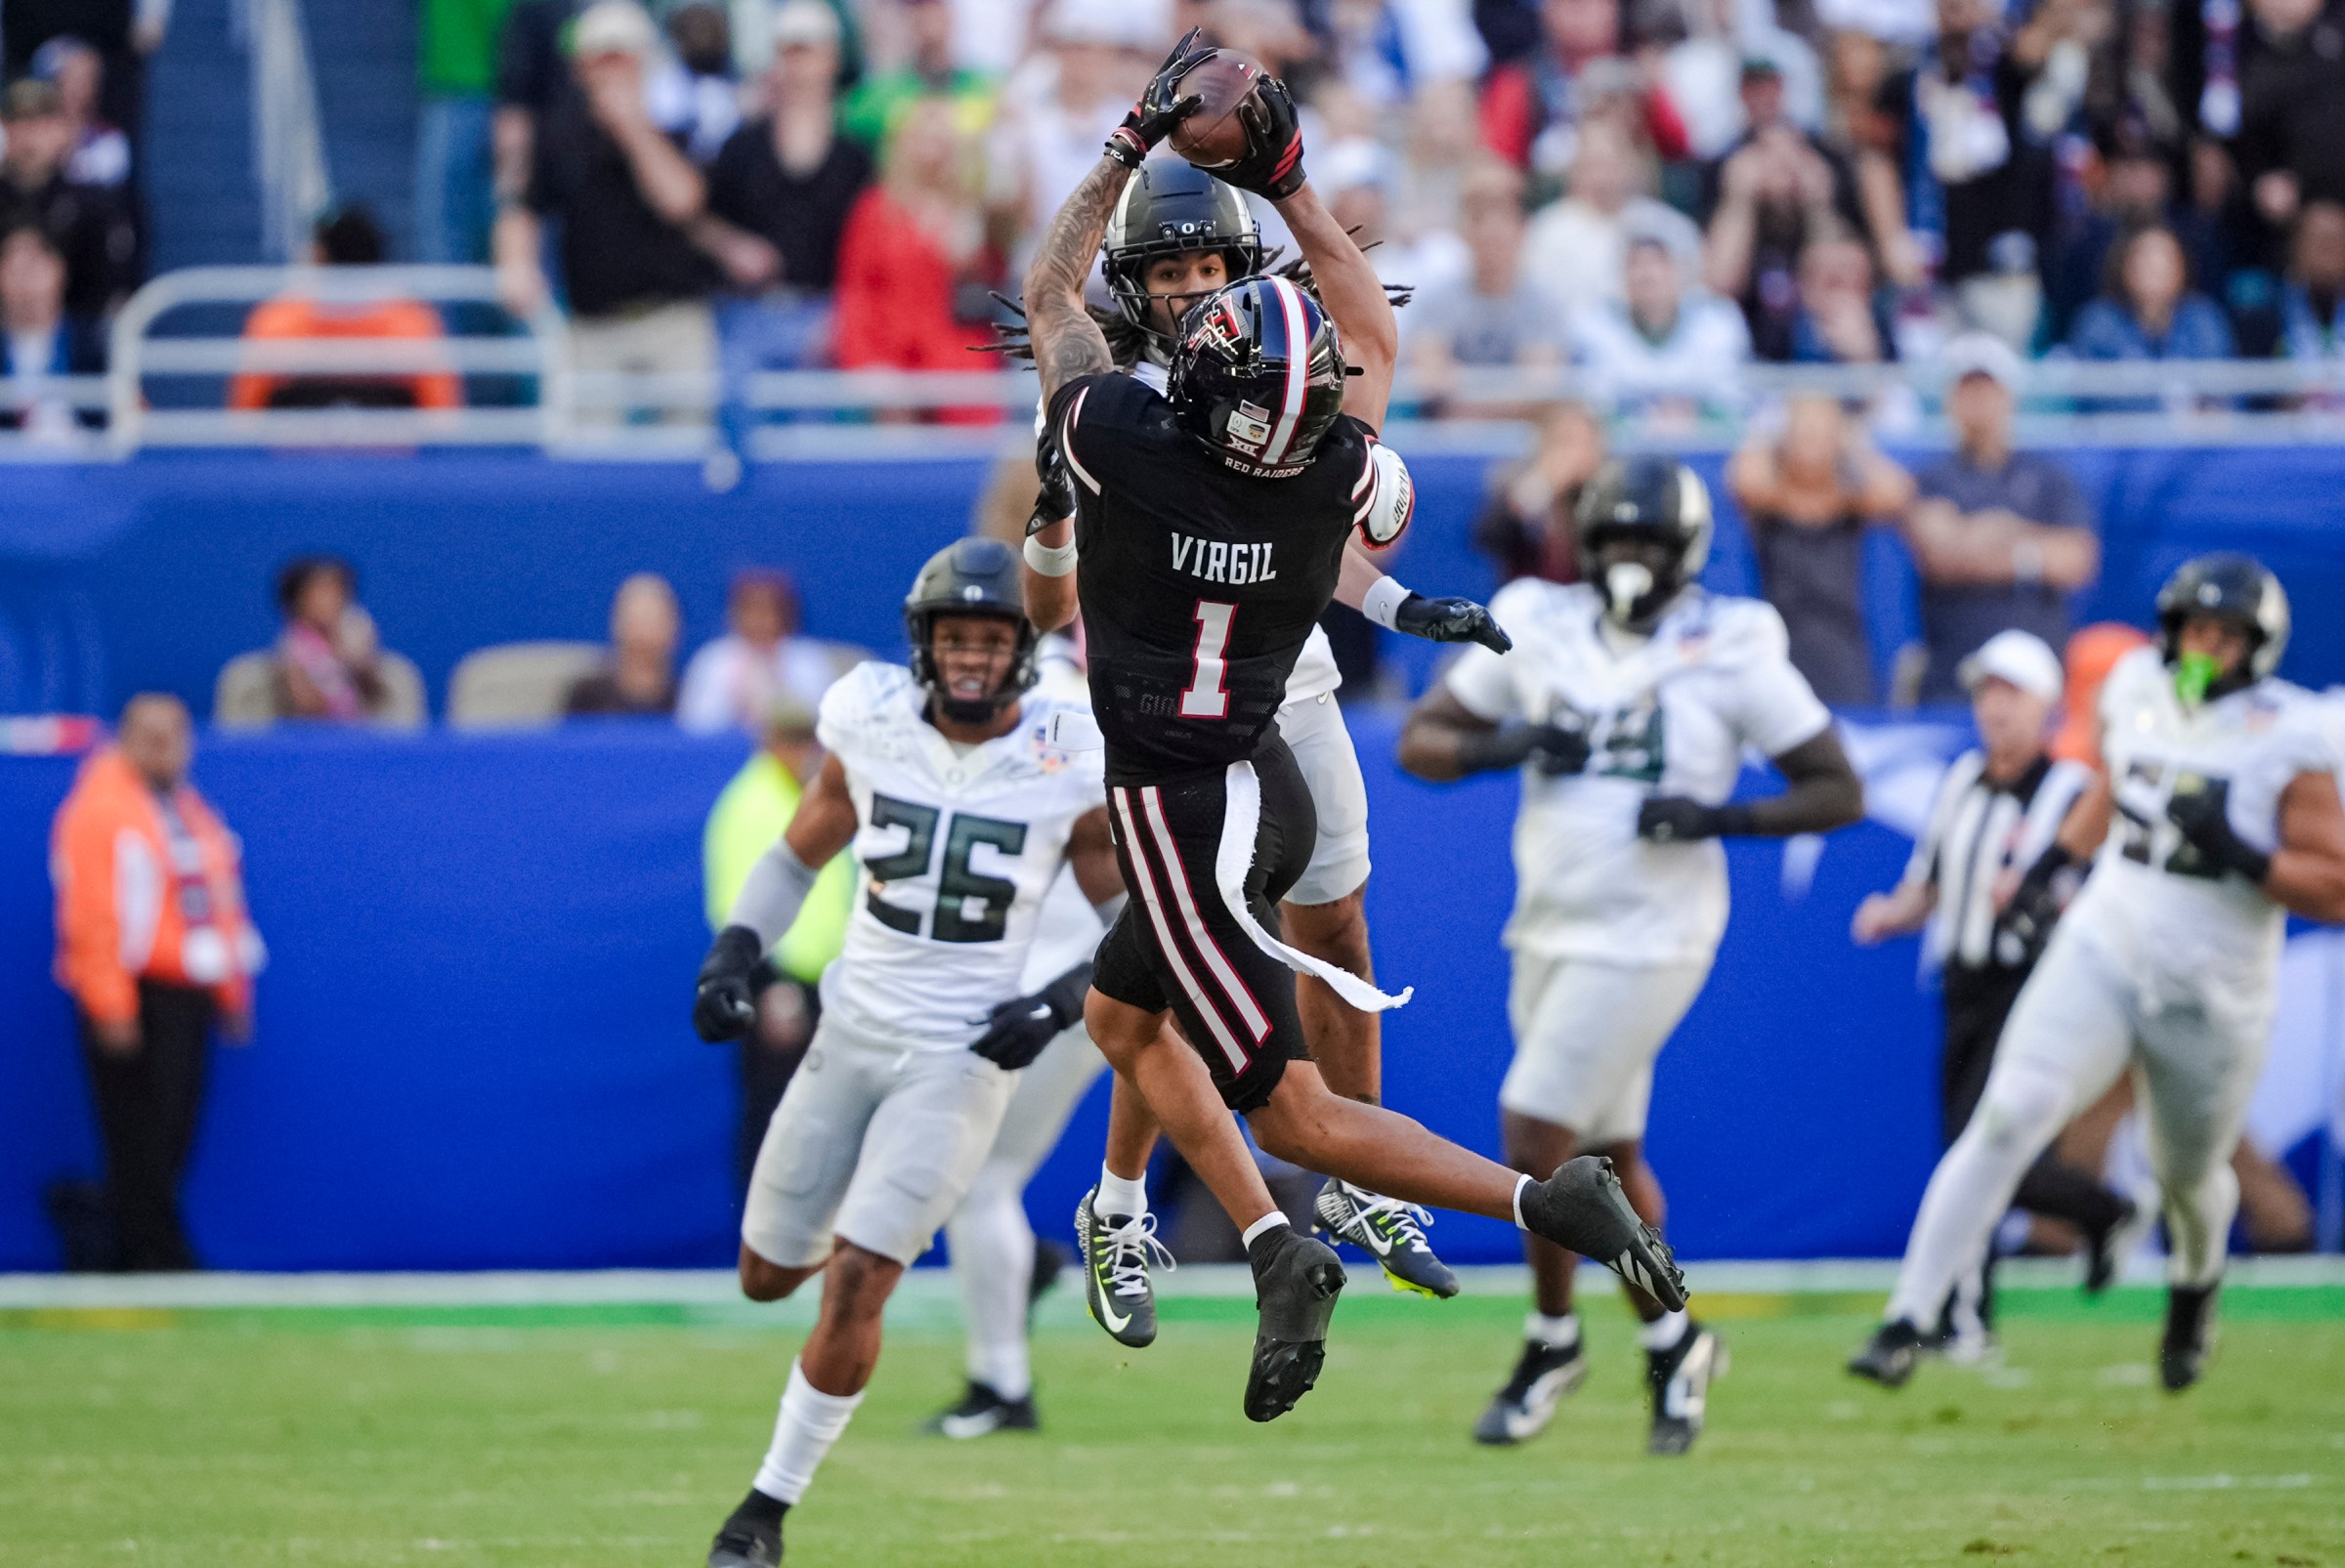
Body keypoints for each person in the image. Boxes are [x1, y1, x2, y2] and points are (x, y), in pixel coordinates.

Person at [1019, 31, 1684, 1423]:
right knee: (1124, 1012)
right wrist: (1298, 180)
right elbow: (1364, 343)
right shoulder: (1336, 476)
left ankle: (1487, 1204)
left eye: (1215, 284)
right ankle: (1213, 1223)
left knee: (1283, 1097)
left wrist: (1129, 139)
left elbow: (1044, 297)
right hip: (1265, 766)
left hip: (1191, 794)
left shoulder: (1121, 438)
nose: (1197, 301)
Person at [1013, 152, 1504, 1313]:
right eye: (1169, 271)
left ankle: (1352, 1170)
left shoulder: (1280, 365)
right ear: (1136, 287)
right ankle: (1128, 1201)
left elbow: (1295, 521)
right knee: (1176, 979)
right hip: (1163, 718)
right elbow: (1050, 605)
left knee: (1333, 922)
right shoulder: (1111, 405)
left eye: (1209, 266)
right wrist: (1048, 516)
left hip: (1284, 678)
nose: (1191, 290)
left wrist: (1387, 601)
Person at [1399, 454, 1863, 1456]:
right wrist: (1509, 742)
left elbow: (1836, 787)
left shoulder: (1731, 643)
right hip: (1550, 923)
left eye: (1647, 545)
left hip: (1656, 932)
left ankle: (1553, 1338)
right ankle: (1675, 1339)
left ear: (1687, 555)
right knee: (1607, 1162)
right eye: (1613, 542)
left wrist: (1717, 815)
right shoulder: (1540, 617)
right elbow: (1422, 741)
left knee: (1533, 1130)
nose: (1628, 562)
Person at [685, 538, 1121, 1567]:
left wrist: (1058, 1002)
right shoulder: (868, 719)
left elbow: (1129, 920)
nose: (970, 656)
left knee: (862, 1281)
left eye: (991, 637)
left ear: (1024, 647)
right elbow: (801, 849)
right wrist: (733, 952)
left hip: (961, 1056)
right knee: (765, 1277)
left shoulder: (1067, 749)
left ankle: (764, 1511)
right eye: (953, 637)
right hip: (852, 1033)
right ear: (923, 644)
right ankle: (900, 1219)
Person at [1849, 555, 2345, 1394]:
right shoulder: (2138, 689)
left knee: (2187, 1173)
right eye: (2195, 629)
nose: (2207, 647)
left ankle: (2194, 1288)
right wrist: (2046, 871)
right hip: (2109, 943)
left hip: (2212, 989)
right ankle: (1909, 1315)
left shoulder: (2290, 733)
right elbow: (2113, 791)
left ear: (2256, 647)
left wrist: (2239, 849)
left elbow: (2333, 885)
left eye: (2226, 635)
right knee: (2008, 1114)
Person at [1850, 629, 2137, 1354]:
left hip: (2035, 985)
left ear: (2045, 705)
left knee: (1974, 1147)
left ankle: (1964, 1317)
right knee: (1974, 1146)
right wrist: (1893, 911)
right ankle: (2101, 1212)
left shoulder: (2071, 789)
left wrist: (2051, 897)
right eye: (1985, 692)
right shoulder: (1962, 781)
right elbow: (1933, 881)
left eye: (2010, 692)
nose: (1994, 708)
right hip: (1965, 985)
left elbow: (2109, 891)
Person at [926, 631, 1109, 1437]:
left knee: (976, 1179)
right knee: (970, 1174)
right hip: (1066, 980)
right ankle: (1021, 1273)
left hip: (1060, 986)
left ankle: (1002, 1385)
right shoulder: (1081, 703)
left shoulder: (1061, 713)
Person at [49, 695, 265, 1271]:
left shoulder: (190, 810)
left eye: (174, 732)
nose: (162, 744)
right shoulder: (101, 809)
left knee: (172, 1131)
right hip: (134, 993)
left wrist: (231, 989)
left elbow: (215, 905)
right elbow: (93, 917)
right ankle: (157, 1255)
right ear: (123, 739)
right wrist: (110, 1003)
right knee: (138, 1134)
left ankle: (115, 1240)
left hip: (187, 993)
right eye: (148, 733)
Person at [492, 0, 720, 424]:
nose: (614, 70)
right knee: (589, 463)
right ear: (580, 68)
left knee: (689, 460)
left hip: (672, 317)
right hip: (593, 324)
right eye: (602, 58)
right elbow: (521, 207)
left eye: (623, 57)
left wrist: (633, 128)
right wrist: (516, 261)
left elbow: (683, 201)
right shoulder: (558, 133)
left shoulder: (678, 116)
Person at [700, 691, 855, 1190]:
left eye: (812, 740)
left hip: (825, 986)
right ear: (768, 742)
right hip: (778, 988)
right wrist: (768, 984)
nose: (804, 751)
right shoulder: (750, 805)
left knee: (823, 1120)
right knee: (771, 1116)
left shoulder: (811, 797)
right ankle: (760, 1242)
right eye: (792, 740)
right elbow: (736, 907)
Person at [1903, 332, 2099, 704]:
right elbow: (1940, 556)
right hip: (1952, 681)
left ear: (2008, 397)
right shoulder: (1931, 479)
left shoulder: (2049, 478)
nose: (1978, 400)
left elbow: (2076, 560)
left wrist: (1980, 535)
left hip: (2036, 686)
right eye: (1967, 389)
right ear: (1951, 400)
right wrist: (2029, 548)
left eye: (1987, 389)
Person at [696, 1, 873, 390]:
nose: (798, 64)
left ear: (832, 58)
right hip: (747, 318)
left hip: (825, 320)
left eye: (807, 50)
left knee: (814, 444)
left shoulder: (854, 157)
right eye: (789, 51)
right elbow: (701, 219)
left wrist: (846, 317)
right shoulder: (741, 146)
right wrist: (732, 247)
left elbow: (868, 248)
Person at [1726, 393, 1915, 705]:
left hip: (1844, 656)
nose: (1810, 441)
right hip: (1778, 654)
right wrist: (1763, 430)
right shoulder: (1769, 504)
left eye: (1820, 432)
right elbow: (1745, 481)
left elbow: (1898, 493)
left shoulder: (1851, 503)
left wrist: (1856, 443)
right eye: (1801, 431)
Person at [831, 95, 1007, 398]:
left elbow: (994, 287)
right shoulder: (875, 209)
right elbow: (856, 294)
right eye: (923, 138)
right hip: (887, 352)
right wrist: (866, 364)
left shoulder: (972, 208)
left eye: (941, 140)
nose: (932, 151)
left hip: (957, 357)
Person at [227, 207, 462, 413]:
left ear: (317, 258)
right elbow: (442, 421)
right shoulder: (413, 324)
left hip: (295, 462)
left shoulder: (276, 323)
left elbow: (245, 421)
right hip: (392, 462)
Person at [1407, 158, 1568, 416]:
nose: (1490, 232)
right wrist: (1511, 392)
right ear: (1465, 230)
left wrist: (1461, 391)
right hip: (1451, 444)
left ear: (1522, 228)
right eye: (1479, 219)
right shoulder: (1437, 301)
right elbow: (1429, 380)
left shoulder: (1544, 306)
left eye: (1503, 218)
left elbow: (1540, 389)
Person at [1519, 117, 1702, 326]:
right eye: (1593, 164)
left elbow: (1694, 299)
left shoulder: (1666, 226)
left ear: (1631, 166)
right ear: (1574, 170)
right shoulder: (1547, 231)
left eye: (1611, 164)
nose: (1603, 177)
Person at [1570, 221, 1752, 425]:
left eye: (1658, 261)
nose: (1646, 273)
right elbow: (1595, 408)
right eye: (1635, 263)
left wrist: (1693, 418)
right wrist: (1644, 420)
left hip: (1706, 452)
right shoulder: (1596, 326)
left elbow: (1732, 407)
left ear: (1683, 270)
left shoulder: (1718, 323)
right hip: (1622, 452)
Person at [0, 78, 138, 325]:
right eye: (19, 122)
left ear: (63, 130)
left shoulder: (94, 205)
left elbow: (108, 285)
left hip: (75, 341)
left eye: (41, 123)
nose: (30, 136)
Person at [677, 569, 841, 734]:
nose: (760, 621)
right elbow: (694, 726)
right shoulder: (712, 660)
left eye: (769, 611)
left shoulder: (807, 659)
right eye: (750, 610)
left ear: (786, 615)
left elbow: (822, 723)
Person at [2063, 222, 2236, 366]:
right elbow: (2089, 396)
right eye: (2145, 259)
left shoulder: (2204, 319)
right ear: (2125, 267)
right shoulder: (2097, 321)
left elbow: (2228, 392)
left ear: (2182, 269)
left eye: (2165, 259)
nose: (2154, 268)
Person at [1472, 399, 1604, 586]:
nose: (1577, 455)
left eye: (1587, 443)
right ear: (1545, 446)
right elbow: (1488, 537)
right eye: (1567, 443)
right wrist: (1543, 486)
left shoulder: (1610, 492)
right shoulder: (1514, 483)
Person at [1, 220, 104, 439]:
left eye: (32, 266)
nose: (25, 280)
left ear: (58, 269)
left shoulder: (92, 344)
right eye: (15, 268)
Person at [270, 556, 402, 723]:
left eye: (336, 591)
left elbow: (370, 686)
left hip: (360, 729)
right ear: (298, 601)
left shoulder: (355, 630)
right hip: (312, 731)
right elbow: (307, 704)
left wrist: (343, 647)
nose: (329, 600)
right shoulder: (292, 644)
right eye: (319, 593)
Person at [564, 572, 682, 715]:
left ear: (675, 626)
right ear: (615, 624)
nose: (643, 633)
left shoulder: (691, 698)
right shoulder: (587, 697)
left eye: (652, 620)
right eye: (635, 620)